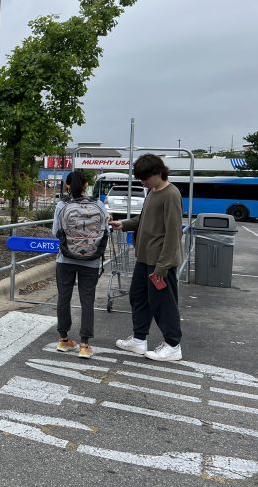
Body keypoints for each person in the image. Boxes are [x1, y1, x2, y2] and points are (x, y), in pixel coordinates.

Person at [110, 154, 183, 362]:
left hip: (160, 262)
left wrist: (162, 266)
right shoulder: (153, 191)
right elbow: (143, 219)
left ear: (158, 173)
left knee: (163, 303)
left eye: (145, 178)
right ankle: (139, 339)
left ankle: (173, 345)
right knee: (138, 297)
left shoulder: (171, 194)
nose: (143, 182)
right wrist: (123, 223)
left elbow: (173, 233)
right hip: (144, 257)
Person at [52, 170, 108, 359]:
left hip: (65, 259)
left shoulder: (62, 205)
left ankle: (63, 339)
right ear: (86, 185)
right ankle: (84, 345)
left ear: (68, 185)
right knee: (87, 301)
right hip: (90, 261)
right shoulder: (98, 204)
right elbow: (104, 230)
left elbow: (55, 232)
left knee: (64, 298)